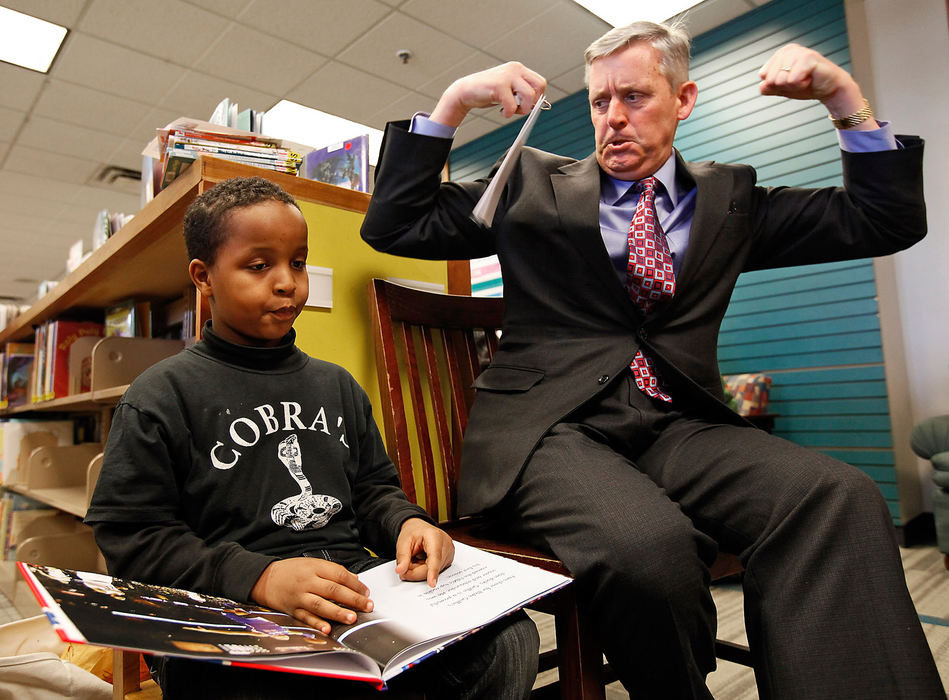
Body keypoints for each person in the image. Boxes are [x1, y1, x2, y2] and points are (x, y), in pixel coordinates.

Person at [359, 19, 946, 700]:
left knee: (837, 496)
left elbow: (884, 221)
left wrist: (842, 97)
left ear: (683, 99)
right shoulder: (527, 184)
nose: (612, 118)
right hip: (551, 431)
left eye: (633, 97)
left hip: (677, 425)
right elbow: (396, 225)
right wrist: (453, 104)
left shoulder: (729, 200)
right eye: (599, 102)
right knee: (647, 547)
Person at [85, 176, 539, 700]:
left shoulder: (336, 385)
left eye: (297, 263)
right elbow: (131, 540)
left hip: (351, 589)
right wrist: (260, 578)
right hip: (228, 606)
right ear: (203, 277)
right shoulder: (162, 395)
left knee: (506, 641)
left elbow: (373, 489)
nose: (286, 283)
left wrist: (407, 522)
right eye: (259, 266)